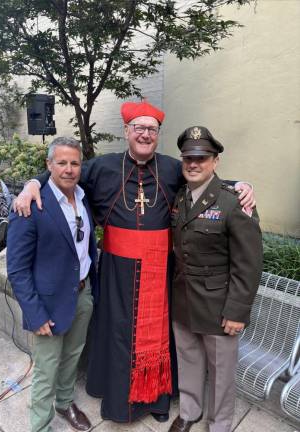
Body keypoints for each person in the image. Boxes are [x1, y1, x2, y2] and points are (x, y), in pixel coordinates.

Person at [13, 101, 255, 424]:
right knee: (119, 337)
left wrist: (238, 186)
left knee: (159, 336)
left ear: (157, 135)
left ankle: (156, 401)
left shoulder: (172, 168)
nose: (144, 134)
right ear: (126, 131)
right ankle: (119, 403)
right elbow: (63, 171)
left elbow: (205, 182)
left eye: (151, 130)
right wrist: (33, 183)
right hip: (117, 271)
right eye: (138, 128)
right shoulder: (103, 167)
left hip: (159, 269)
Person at [169, 126, 263, 432]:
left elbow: (248, 264)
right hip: (183, 300)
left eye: (201, 157)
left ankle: (220, 423)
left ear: (215, 160)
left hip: (219, 306)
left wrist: (237, 312)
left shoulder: (234, 202)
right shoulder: (180, 196)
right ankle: (189, 411)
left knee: (222, 371)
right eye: (188, 158)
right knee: (189, 360)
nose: (193, 163)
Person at [7, 137, 98, 432]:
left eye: (74, 163)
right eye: (61, 163)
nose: (69, 169)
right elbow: (17, 269)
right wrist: (34, 313)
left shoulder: (84, 197)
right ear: (48, 165)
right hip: (48, 304)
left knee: (72, 356)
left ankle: (64, 402)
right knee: (46, 369)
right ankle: (41, 425)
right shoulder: (30, 204)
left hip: (83, 294)